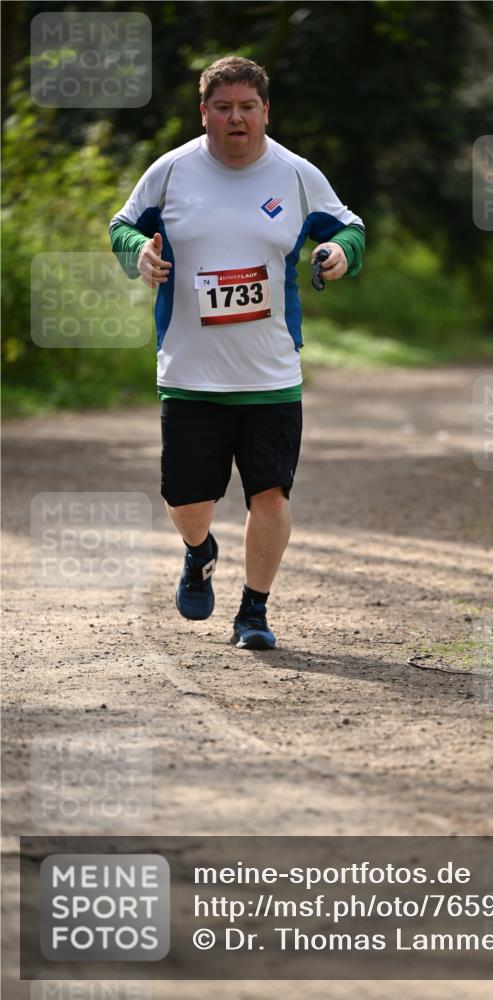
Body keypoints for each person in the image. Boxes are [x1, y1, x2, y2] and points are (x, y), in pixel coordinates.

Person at [110, 55, 365, 650]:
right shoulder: (172, 173)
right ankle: (199, 552)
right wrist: (138, 255)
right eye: (222, 108)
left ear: (265, 111)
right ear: (204, 113)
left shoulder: (297, 175)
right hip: (190, 371)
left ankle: (254, 612)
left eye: (247, 107)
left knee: (269, 493)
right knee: (186, 501)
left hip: (271, 372)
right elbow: (122, 226)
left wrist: (341, 254)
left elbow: (349, 227)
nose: (236, 118)